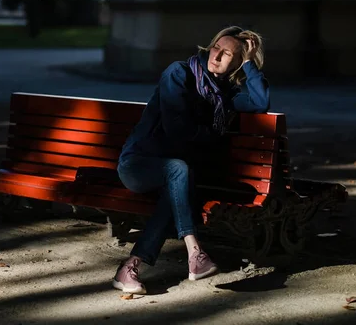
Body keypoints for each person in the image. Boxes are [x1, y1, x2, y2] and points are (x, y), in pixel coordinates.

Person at [113, 26, 270, 294]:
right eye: (216, 48)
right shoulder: (179, 73)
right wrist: (213, 137)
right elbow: (178, 130)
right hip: (139, 164)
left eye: (228, 54)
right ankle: (194, 251)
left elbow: (260, 101)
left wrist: (249, 63)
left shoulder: (227, 94)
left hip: (179, 172)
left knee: (176, 185)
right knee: (179, 171)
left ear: (236, 63)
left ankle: (129, 268)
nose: (217, 55)